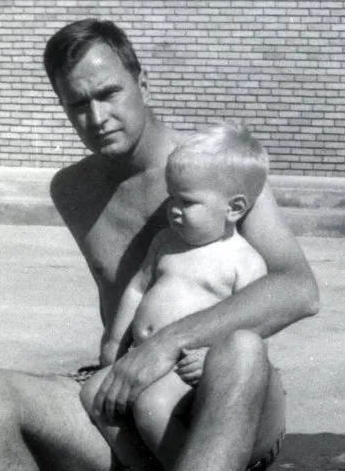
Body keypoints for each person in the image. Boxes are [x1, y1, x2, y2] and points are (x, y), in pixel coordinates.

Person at [0, 18, 319, 471]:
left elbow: (298, 289)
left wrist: (164, 345)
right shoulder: (71, 189)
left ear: (143, 82)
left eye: (108, 93)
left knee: (242, 350)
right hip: (126, 406)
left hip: (214, 396)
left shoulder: (209, 170)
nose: (97, 118)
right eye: (78, 104)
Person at [79, 120, 271, 470]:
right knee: (94, 394)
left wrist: (213, 355)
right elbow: (137, 289)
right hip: (144, 356)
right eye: (171, 197)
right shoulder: (165, 242)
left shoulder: (243, 262)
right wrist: (113, 342)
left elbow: (252, 325)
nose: (174, 209)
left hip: (186, 370)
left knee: (151, 405)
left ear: (235, 208)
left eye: (188, 201)